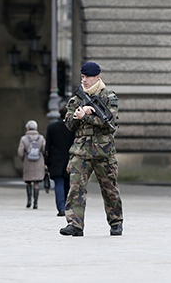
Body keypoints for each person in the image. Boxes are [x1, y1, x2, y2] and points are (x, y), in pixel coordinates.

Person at [60, 62, 123, 237]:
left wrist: (88, 115)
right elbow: (69, 124)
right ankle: (75, 224)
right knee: (75, 188)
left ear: (97, 77)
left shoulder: (109, 97)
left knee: (109, 189)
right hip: (81, 151)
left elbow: (109, 124)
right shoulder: (76, 99)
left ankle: (116, 222)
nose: (84, 80)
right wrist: (78, 114)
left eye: (87, 77)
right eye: (82, 77)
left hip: (104, 152)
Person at [45, 104, 74, 216]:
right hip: (70, 159)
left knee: (59, 184)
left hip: (56, 160)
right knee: (68, 185)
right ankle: (68, 207)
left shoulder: (52, 127)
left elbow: (48, 147)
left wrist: (47, 162)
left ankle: (61, 208)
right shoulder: (73, 128)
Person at [17, 120, 46, 209]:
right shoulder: (41, 138)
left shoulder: (24, 138)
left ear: (27, 128)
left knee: (28, 182)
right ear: (36, 128)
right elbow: (44, 150)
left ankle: (29, 201)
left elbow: (20, 152)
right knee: (36, 183)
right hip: (39, 162)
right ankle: (36, 203)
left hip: (28, 162)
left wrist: (23, 159)